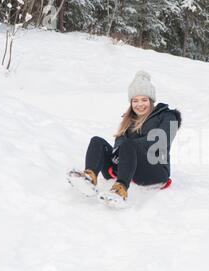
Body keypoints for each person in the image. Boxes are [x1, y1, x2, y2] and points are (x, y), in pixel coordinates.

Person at [68, 71, 181, 206]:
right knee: (97, 141)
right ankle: (89, 178)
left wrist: (126, 148)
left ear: (151, 100)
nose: (140, 104)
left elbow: (161, 141)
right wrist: (118, 152)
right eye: (135, 100)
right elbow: (119, 142)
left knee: (128, 144)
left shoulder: (169, 116)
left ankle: (120, 189)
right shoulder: (128, 120)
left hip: (154, 169)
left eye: (144, 100)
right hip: (127, 167)